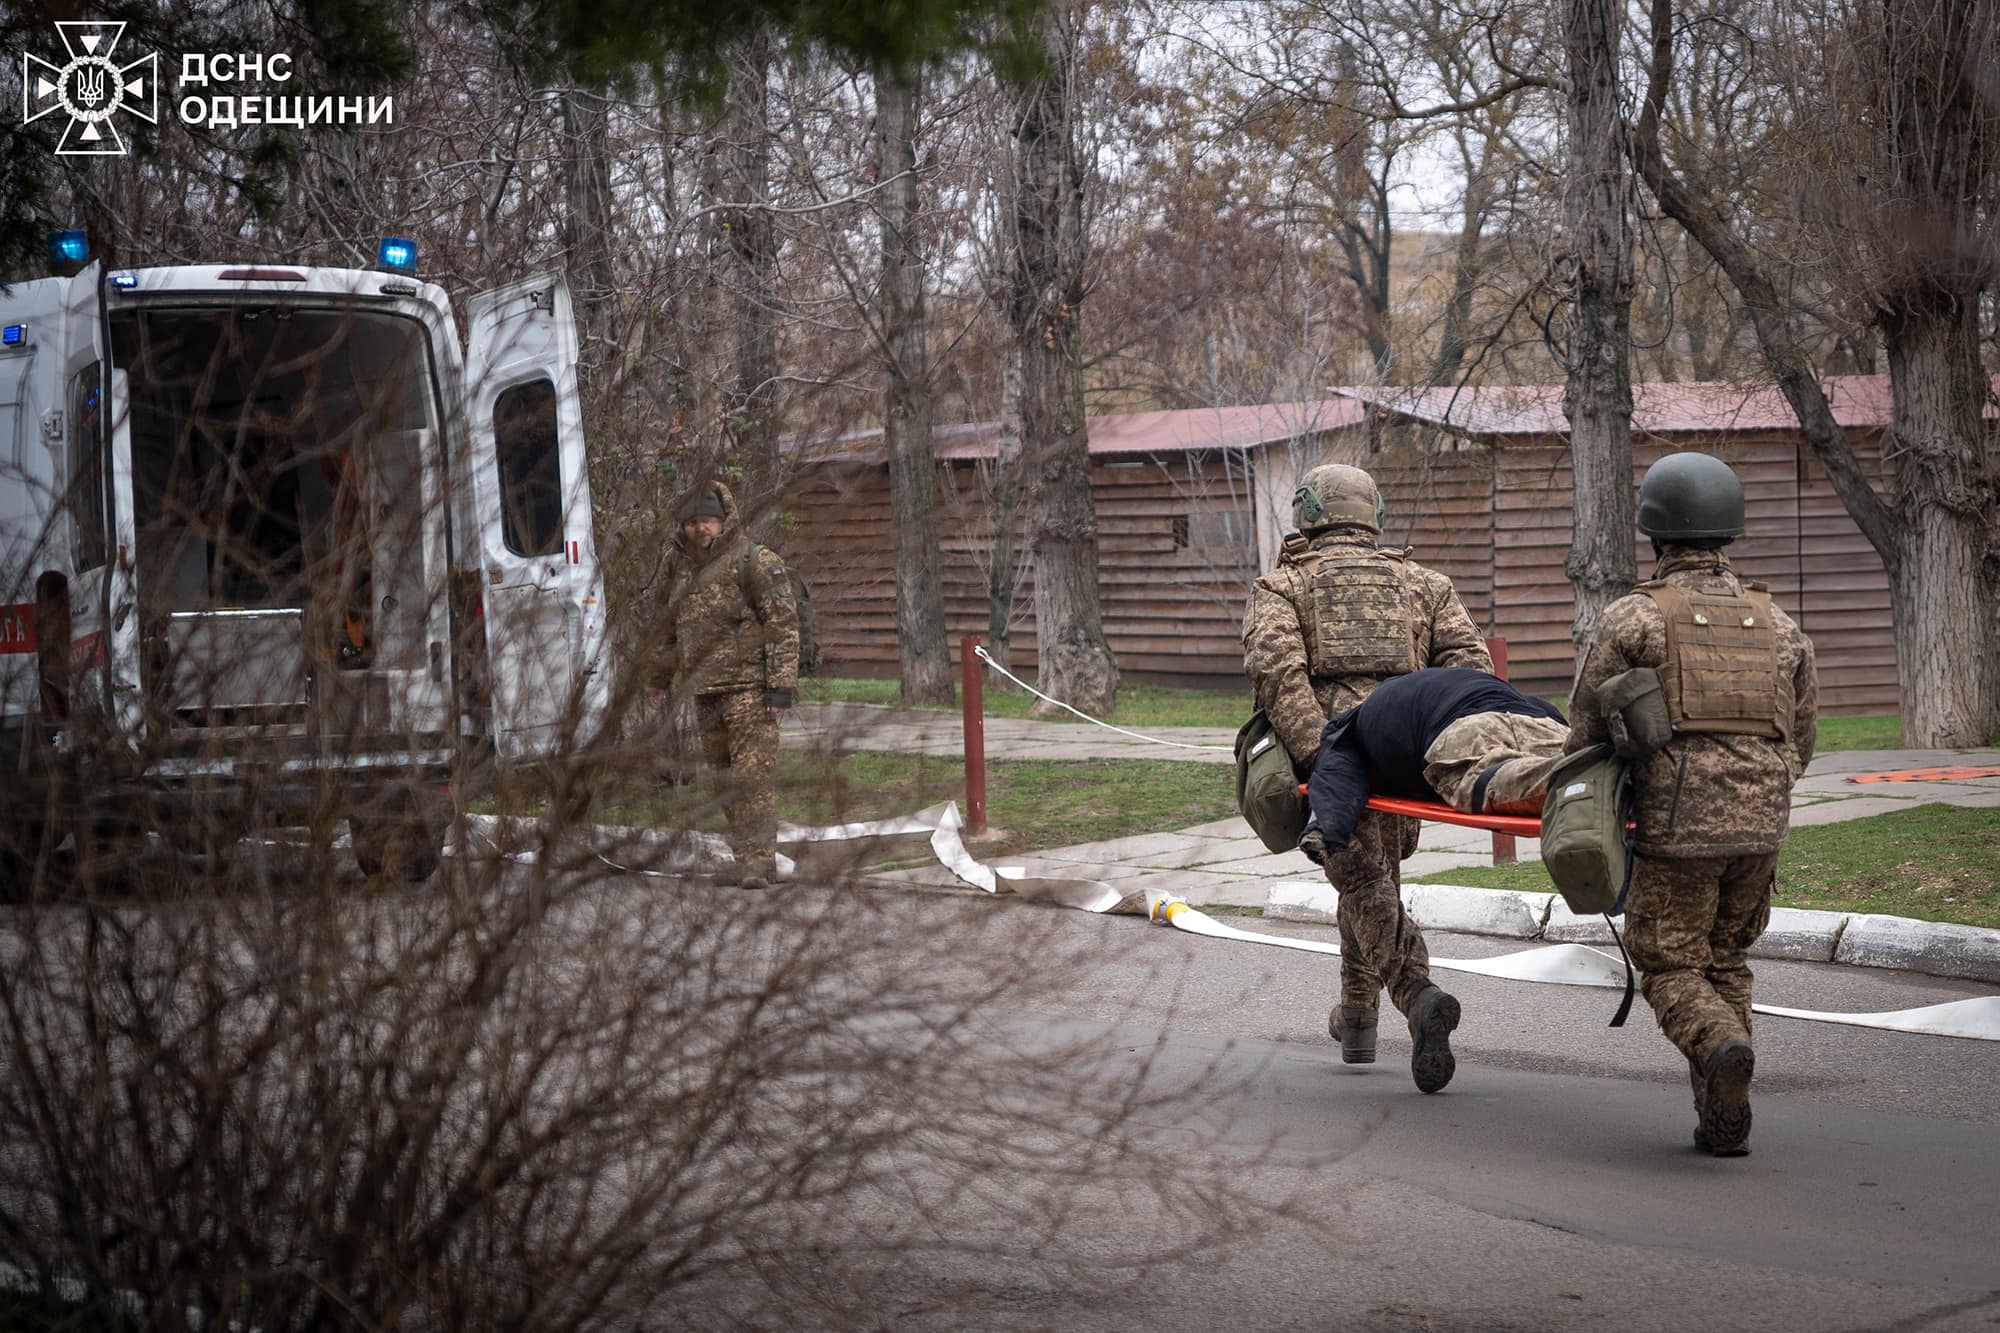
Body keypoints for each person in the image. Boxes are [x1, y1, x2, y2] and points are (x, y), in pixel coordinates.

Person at [1566, 452, 1817, 1156]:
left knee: (1670, 961)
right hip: (1763, 827)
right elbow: (1803, 736)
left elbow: (1583, 728)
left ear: (1655, 532)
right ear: (1727, 531)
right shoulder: (1780, 624)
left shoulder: (1636, 618)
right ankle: (1721, 1118)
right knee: (1727, 958)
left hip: (1679, 827)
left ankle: (1720, 1042)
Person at [1242, 463, 1494, 1091]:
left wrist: (1322, 755)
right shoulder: (1426, 584)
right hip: (1406, 753)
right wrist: (1425, 739)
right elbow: (1470, 668)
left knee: (1358, 877)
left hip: (1336, 760)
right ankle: (1357, 1018)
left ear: (1308, 513)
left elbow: (1278, 675)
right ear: (1371, 513)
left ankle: (1416, 992)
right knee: (1368, 877)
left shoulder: (1281, 587)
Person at [652, 480, 801, 890]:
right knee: (723, 780)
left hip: (751, 689)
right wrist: (658, 679)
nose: (702, 529)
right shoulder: (677, 567)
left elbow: (783, 626)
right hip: (705, 690)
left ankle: (759, 862)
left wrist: (780, 688)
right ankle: (742, 858)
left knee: (752, 780)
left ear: (724, 521)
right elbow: (667, 627)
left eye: (709, 521)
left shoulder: (754, 561)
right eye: (694, 522)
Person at [1302, 666, 1569, 856]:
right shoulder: (1435, 683)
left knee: (1485, 782)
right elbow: (1548, 716)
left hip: (1464, 730)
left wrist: (1325, 831)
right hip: (1535, 717)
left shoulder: (1348, 732)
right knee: (1581, 759)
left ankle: (1579, 780)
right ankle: (1592, 768)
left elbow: (1335, 775)